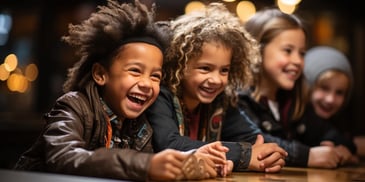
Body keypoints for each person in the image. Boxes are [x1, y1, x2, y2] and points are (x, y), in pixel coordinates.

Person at [12, 0, 228, 181]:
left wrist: (191, 158)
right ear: (100, 74)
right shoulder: (74, 105)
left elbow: (152, 162)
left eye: (155, 76)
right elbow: (64, 157)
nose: (146, 83)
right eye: (135, 71)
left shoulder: (140, 123)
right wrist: (146, 166)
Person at [145, 2, 288, 174]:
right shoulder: (162, 95)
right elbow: (170, 144)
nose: (216, 79)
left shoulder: (221, 100)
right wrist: (245, 155)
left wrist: (271, 155)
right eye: (205, 68)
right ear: (179, 65)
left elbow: (256, 139)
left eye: (224, 70)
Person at [236, 7, 357, 169]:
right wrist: (309, 155)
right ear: (257, 50)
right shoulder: (239, 99)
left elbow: (332, 134)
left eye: (301, 53)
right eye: (288, 51)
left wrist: (339, 148)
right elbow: (254, 139)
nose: (298, 61)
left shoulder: (293, 101)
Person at [304, 46, 359, 163]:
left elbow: (344, 140)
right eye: (324, 88)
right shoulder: (297, 117)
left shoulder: (341, 120)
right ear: (306, 87)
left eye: (339, 92)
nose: (330, 99)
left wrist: (344, 148)